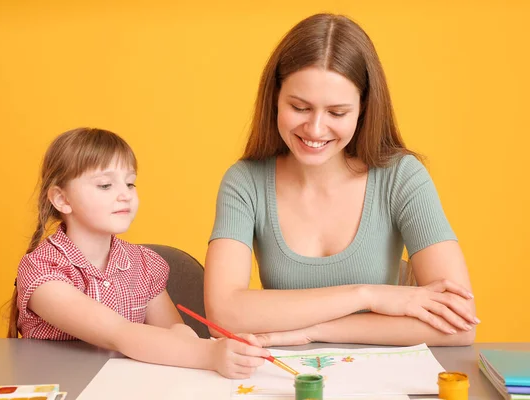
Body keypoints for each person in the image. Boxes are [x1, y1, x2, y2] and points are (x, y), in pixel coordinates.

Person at [204, 14, 478, 346]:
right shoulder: (244, 182)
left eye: (337, 113)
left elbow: (460, 323)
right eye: (300, 107)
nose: (316, 129)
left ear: (363, 109)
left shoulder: (401, 177)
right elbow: (222, 316)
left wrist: (314, 331)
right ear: (275, 97)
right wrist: (367, 295)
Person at [7, 127, 269, 378]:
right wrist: (210, 353)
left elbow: (174, 333)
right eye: (105, 186)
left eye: (130, 184)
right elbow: (118, 332)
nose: (125, 195)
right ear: (62, 199)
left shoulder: (144, 264)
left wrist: (201, 342)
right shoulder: (42, 269)